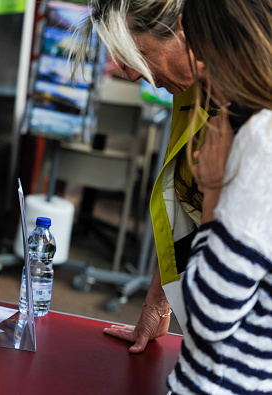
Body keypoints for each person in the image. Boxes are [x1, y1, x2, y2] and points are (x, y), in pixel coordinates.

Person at [69, 0, 219, 353]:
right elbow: (188, 207)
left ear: (182, 30)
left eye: (139, 53)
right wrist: (157, 304)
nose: (134, 74)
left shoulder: (249, 117)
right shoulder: (191, 91)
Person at [166, 0, 272, 392]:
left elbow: (210, 314)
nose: (201, 73)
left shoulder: (263, 139)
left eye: (204, 54)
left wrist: (211, 189)